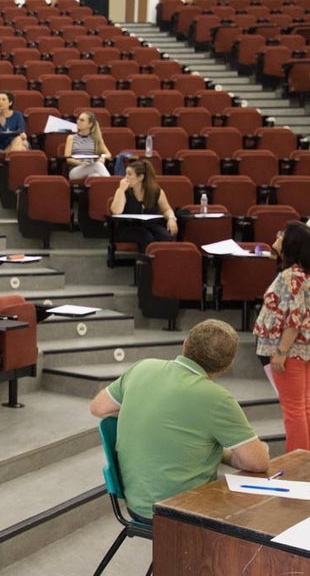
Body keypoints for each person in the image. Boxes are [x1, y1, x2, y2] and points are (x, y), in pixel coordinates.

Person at [89, 319, 270, 522]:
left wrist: (148, 410)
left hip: (136, 504)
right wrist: (229, 454)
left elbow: (98, 407)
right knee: (260, 513)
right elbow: (258, 462)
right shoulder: (217, 398)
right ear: (226, 366)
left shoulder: (142, 368)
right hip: (181, 512)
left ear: (185, 345)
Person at [253, 221, 310, 452]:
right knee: (304, 406)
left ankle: (298, 463)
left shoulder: (291, 276)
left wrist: (281, 351)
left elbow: (295, 318)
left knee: (294, 409)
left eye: (281, 234)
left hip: (290, 350)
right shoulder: (301, 273)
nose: (277, 236)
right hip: (302, 349)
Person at [109, 159, 177, 251]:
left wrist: (171, 218)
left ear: (140, 177)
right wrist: (121, 190)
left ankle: (163, 259)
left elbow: (166, 209)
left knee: (165, 236)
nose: (125, 178)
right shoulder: (123, 191)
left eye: (129, 174)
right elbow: (116, 211)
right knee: (146, 237)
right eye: (126, 174)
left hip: (150, 225)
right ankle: (146, 259)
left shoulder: (156, 192)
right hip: (128, 227)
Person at [64, 111, 111, 180]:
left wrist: (102, 157)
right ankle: (112, 184)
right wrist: (81, 163)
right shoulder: (71, 138)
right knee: (98, 165)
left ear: (90, 124)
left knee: (95, 176)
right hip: (76, 170)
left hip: (92, 167)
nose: (78, 122)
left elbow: (108, 154)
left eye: (82, 120)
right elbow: (68, 159)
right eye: (78, 119)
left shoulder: (95, 138)